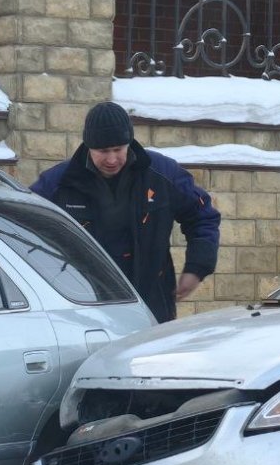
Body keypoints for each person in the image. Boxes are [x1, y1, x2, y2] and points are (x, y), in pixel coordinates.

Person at [31, 101, 221, 322]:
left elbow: (202, 216)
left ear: (129, 144)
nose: (112, 159)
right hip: (83, 309)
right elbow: (21, 224)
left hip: (152, 305)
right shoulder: (58, 184)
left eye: (118, 149)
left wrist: (197, 267)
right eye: (103, 151)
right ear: (88, 147)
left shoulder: (161, 174)